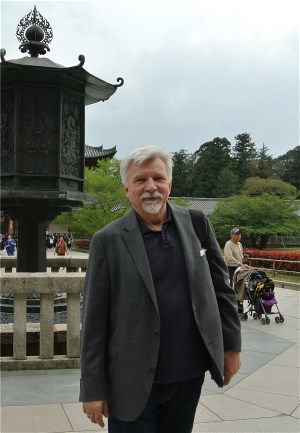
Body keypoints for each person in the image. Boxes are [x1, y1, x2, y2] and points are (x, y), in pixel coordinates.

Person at [80, 146, 241, 433]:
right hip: (130, 381)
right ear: (126, 189)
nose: (151, 187)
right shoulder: (108, 241)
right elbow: (94, 321)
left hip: (189, 376)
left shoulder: (197, 223)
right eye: (140, 180)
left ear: (170, 184)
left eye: (158, 178)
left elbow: (222, 291)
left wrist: (231, 347)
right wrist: (92, 387)